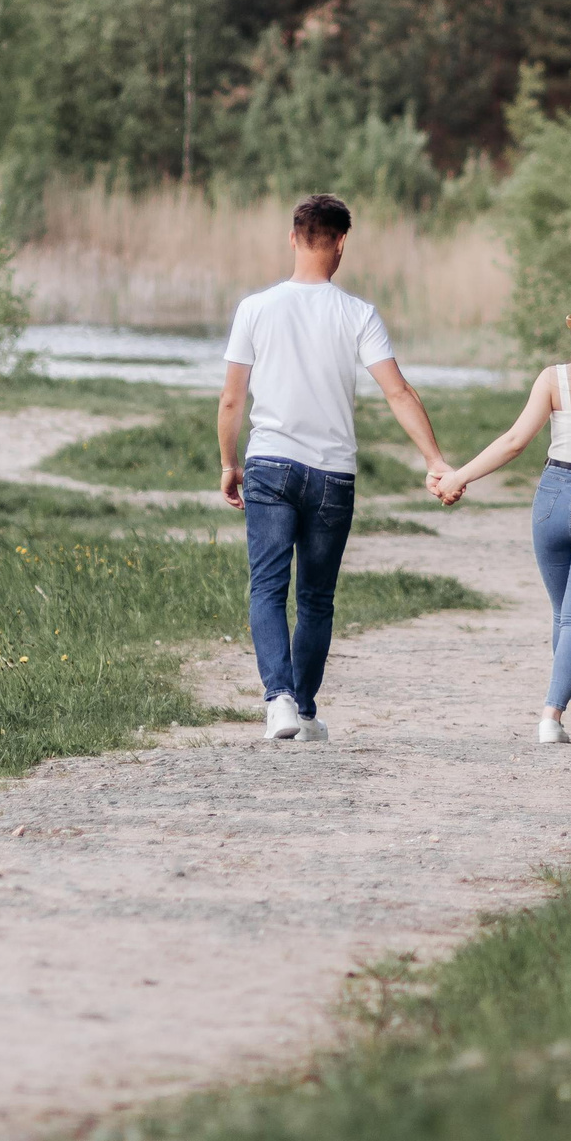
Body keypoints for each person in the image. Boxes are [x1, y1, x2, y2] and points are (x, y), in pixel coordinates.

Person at [219, 194, 453, 741]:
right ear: (341, 242)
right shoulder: (357, 313)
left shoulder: (255, 308)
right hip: (332, 476)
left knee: (267, 588)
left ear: (293, 237)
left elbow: (233, 400)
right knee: (317, 598)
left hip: (270, 465)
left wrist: (230, 462)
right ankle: (301, 709)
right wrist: (435, 459)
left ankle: (278, 698)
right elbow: (397, 391)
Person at [433, 291, 571, 745]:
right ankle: (557, 715)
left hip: (552, 498)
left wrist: (459, 476)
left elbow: (514, 441)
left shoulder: (554, 379)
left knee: (564, 616)